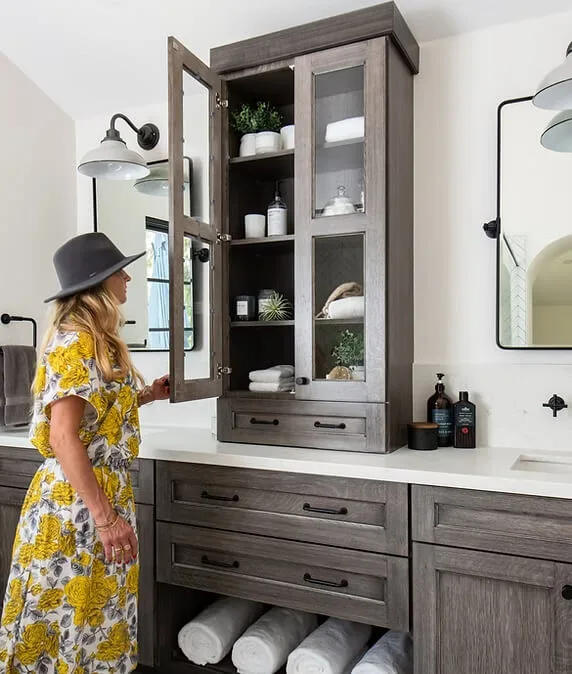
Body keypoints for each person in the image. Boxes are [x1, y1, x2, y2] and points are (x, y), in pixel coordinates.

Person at [0, 232, 170, 674]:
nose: (128, 278)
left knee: (94, 619)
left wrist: (147, 395)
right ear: (99, 283)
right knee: (76, 619)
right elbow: (63, 437)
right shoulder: (74, 345)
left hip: (95, 495)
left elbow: (95, 418)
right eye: (120, 271)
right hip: (79, 506)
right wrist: (105, 517)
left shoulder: (96, 343)